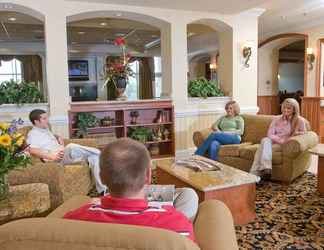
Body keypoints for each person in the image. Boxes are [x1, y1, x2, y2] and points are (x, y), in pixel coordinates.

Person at [64, 138, 199, 242]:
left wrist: (91, 206)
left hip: (102, 206)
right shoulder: (177, 223)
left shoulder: (73, 220)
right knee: (188, 194)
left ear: (101, 177)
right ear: (148, 176)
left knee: (187, 193)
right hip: (156, 214)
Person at [26, 109, 107, 195]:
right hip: (56, 160)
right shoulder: (33, 134)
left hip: (62, 154)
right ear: (36, 121)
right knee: (71, 146)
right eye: (44, 118)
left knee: (94, 157)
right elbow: (31, 149)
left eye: (47, 118)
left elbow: (49, 140)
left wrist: (58, 138)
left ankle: (103, 190)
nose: (47, 120)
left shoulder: (45, 130)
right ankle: (104, 154)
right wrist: (51, 156)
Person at [250, 98, 306, 178]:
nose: (285, 110)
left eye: (288, 108)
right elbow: (269, 134)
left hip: (285, 145)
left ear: (294, 109)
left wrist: (296, 134)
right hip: (273, 142)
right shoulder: (276, 119)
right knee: (265, 140)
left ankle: (254, 176)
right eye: (284, 107)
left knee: (260, 150)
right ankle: (266, 168)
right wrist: (280, 140)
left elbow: (304, 133)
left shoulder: (299, 120)